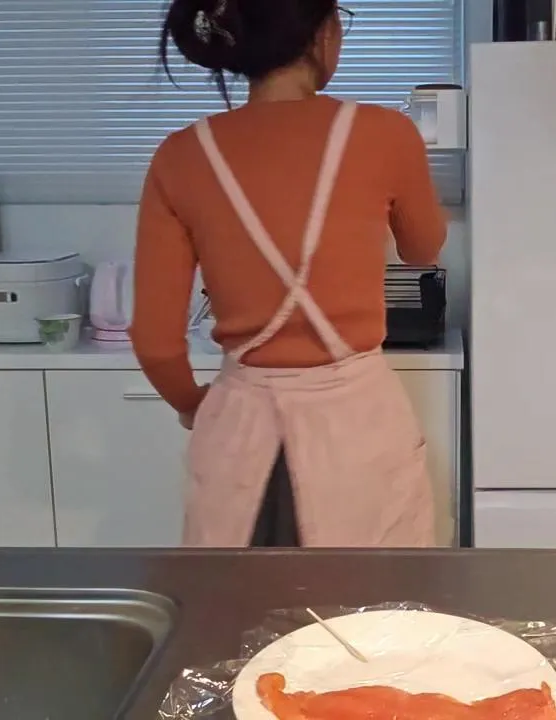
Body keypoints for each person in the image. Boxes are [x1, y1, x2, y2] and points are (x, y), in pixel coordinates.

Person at [131, 0, 448, 548]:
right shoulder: (386, 133)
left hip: (240, 434)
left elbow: (156, 345)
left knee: (243, 597)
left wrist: (193, 405)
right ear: (322, 34)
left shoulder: (180, 155)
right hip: (357, 430)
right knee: (366, 598)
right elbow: (423, 249)